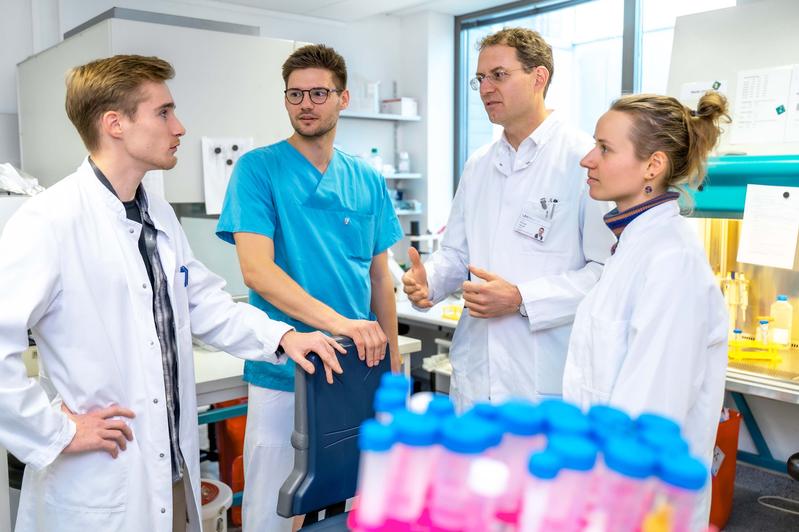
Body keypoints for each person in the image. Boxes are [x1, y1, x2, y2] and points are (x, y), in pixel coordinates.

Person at [0, 55, 344, 532]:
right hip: (99, 478)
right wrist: (54, 432)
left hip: (168, 466)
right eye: (163, 112)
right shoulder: (50, 221)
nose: (179, 126)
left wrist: (285, 337)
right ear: (114, 123)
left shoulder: (156, 215)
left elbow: (205, 302)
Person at [216, 44, 403, 531]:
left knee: (351, 501)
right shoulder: (258, 171)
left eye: (318, 93)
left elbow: (380, 277)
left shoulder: (366, 178)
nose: (306, 103)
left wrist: (393, 367)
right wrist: (344, 324)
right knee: (271, 509)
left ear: (343, 98)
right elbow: (257, 272)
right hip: (284, 368)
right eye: (295, 94)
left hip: (357, 368)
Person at [401, 28, 614, 411]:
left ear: (539, 77)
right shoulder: (480, 164)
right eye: (480, 78)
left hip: (546, 377)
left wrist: (521, 299)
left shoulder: (584, 159)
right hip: (477, 372)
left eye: (498, 75)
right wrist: (428, 283)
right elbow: (456, 254)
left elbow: (606, 273)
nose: (485, 88)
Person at [562, 91, 730, 526]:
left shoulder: (671, 261)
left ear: (652, 166)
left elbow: (650, 416)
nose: (587, 159)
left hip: (639, 505)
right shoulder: (632, 247)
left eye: (604, 148)